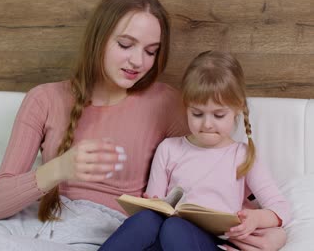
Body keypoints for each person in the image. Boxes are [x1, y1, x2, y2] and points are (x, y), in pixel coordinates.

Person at [0, 0, 288, 250]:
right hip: (27, 229)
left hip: (98, 237)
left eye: (151, 51)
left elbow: (214, 178)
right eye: (126, 45)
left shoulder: (169, 105)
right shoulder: (44, 99)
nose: (138, 61)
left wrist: (273, 235)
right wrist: (59, 168)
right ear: (99, 39)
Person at [99, 51, 291, 251]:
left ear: (237, 108)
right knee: (147, 219)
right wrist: (151, 204)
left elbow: (281, 208)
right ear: (186, 107)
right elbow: (155, 203)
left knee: (175, 227)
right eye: (197, 113)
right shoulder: (169, 149)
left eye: (218, 115)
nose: (207, 124)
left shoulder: (242, 155)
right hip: (166, 238)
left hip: (211, 243)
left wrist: (256, 218)